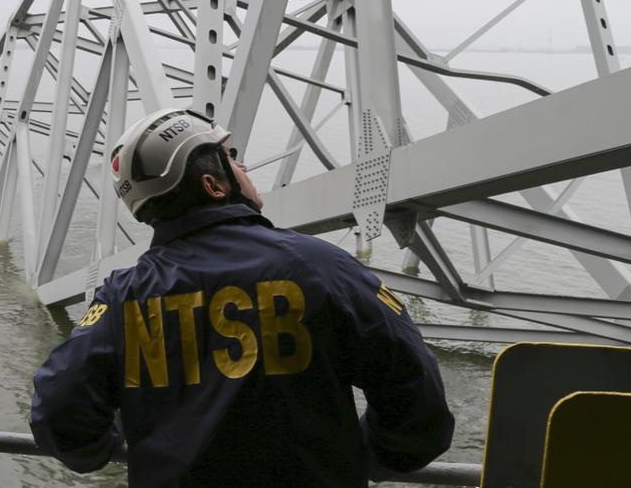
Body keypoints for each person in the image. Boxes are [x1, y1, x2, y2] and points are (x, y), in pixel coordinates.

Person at [29, 108, 454, 486]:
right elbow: (418, 402)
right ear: (215, 186)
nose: (243, 163)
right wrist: (362, 459)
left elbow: (59, 415)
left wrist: (112, 449)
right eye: (231, 157)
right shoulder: (321, 268)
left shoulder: (123, 297)